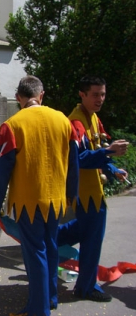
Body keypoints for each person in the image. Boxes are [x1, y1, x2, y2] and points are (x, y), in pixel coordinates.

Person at [0, 75, 79, 316]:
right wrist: (71, 193)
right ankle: (50, 298)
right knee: (51, 245)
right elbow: (73, 161)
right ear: (42, 94)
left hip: (28, 200)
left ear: (18, 98)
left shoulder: (13, 124)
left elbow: (1, 167)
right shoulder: (63, 120)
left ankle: (39, 308)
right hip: (56, 198)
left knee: (35, 251)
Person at [58, 75, 129, 303]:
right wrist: (108, 152)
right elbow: (77, 158)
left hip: (93, 193)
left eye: (103, 94)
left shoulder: (94, 119)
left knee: (84, 233)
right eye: (96, 94)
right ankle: (86, 287)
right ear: (82, 94)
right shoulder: (75, 123)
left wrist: (112, 168)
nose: (100, 99)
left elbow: (98, 151)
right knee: (91, 239)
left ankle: (45, 240)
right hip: (85, 194)